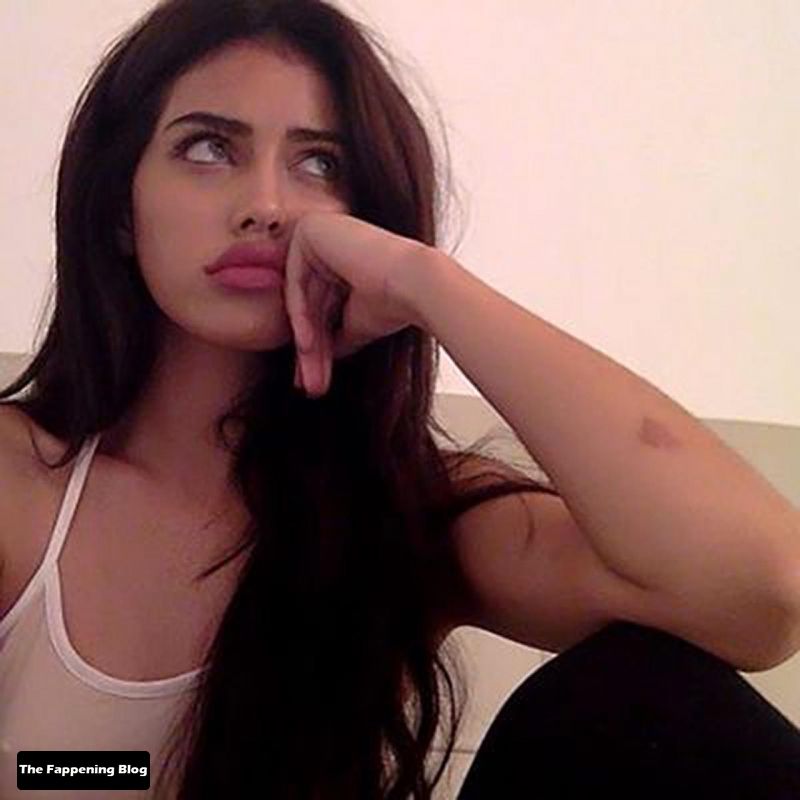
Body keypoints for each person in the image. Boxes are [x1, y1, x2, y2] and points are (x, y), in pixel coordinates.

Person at [1, 1, 799, 798]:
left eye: (321, 164)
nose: (267, 205)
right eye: (209, 148)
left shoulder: (404, 513)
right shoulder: (19, 480)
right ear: (120, 210)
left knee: (650, 703)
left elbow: (764, 592)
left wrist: (428, 285)